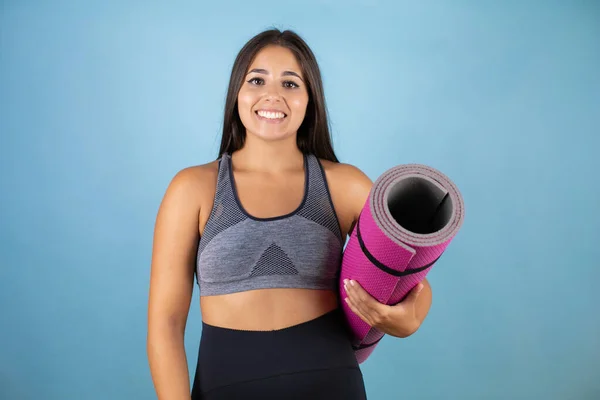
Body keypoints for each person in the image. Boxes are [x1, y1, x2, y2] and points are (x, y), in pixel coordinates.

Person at [146, 28, 433, 399]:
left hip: (330, 383)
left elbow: (410, 273)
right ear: (237, 92)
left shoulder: (344, 185)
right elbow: (165, 324)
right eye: (257, 79)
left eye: (290, 84)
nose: (273, 95)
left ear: (310, 99)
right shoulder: (193, 188)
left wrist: (409, 319)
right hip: (225, 387)